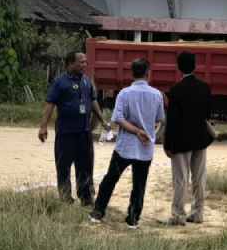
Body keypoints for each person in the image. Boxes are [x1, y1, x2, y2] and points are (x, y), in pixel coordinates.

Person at [90, 59, 166, 229]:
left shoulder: (125, 93)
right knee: (139, 184)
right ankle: (133, 218)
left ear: (132, 73)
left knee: (110, 179)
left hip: (125, 147)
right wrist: (149, 132)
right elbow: (160, 119)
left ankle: (98, 212)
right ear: (148, 73)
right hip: (145, 148)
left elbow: (118, 118)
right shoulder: (157, 95)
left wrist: (136, 131)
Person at [39, 51, 110, 206]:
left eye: (85, 62)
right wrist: (43, 126)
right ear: (70, 63)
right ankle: (65, 198)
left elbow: (93, 101)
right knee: (63, 166)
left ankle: (86, 197)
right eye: (81, 62)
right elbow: (50, 104)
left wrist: (102, 120)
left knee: (85, 165)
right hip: (66, 133)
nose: (85, 65)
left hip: (84, 132)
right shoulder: (60, 82)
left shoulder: (87, 81)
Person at [164, 51, 212, 226]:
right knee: (199, 177)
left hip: (181, 140)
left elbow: (172, 121)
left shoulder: (175, 90)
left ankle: (178, 215)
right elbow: (208, 114)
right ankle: (198, 213)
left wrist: (167, 144)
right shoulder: (205, 87)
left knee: (181, 179)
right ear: (195, 66)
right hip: (200, 138)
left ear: (178, 67)